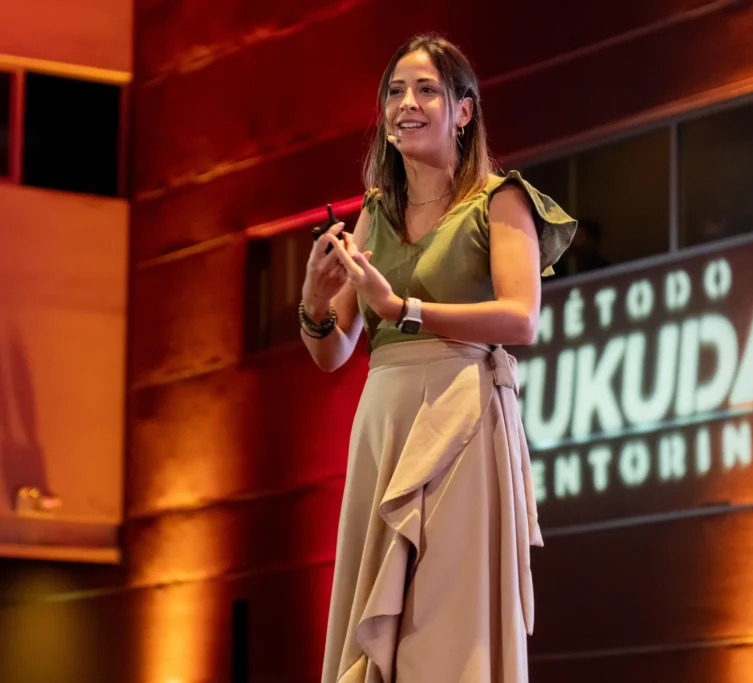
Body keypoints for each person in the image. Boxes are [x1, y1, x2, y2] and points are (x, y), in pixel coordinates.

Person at [299, 33, 577, 683]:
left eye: (427, 90)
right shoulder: (374, 212)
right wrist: (313, 297)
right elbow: (333, 350)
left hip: (461, 418)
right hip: (386, 420)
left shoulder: (499, 199)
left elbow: (521, 317)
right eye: (395, 92)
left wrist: (406, 309)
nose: (407, 103)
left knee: (446, 620)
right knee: (378, 626)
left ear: (464, 111)